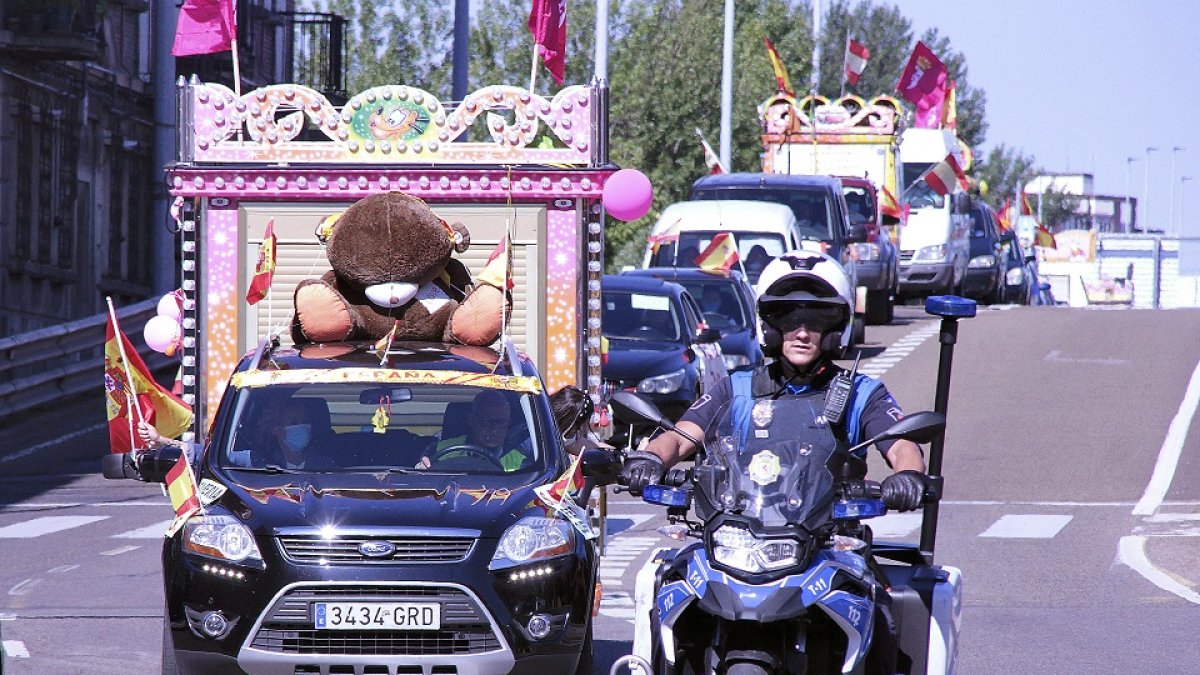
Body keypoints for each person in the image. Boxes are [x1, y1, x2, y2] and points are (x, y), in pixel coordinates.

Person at [620, 249, 927, 675]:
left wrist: (908, 475)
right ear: (770, 326)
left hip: (828, 543)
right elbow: (682, 435)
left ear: (836, 327)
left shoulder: (859, 392)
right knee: (663, 582)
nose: (802, 332)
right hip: (738, 535)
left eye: (816, 320)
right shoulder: (738, 387)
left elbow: (901, 443)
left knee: (878, 608)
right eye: (788, 318)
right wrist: (649, 459)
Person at [418, 389, 531, 471]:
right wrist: (421, 469)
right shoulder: (439, 449)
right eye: (487, 421)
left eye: (501, 422)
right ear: (472, 420)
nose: (494, 429)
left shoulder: (520, 460)